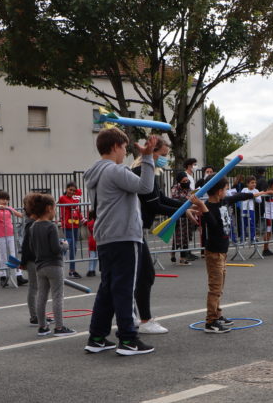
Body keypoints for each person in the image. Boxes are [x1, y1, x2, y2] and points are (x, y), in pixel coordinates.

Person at [83, 128, 157, 356]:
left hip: (105, 236)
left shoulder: (93, 174)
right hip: (124, 235)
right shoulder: (114, 171)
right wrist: (147, 157)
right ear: (115, 146)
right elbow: (146, 187)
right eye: (124, 147)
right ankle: (128, 339)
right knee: (125, 288)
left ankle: (97, 337)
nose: (125, 152)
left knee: (108, 288)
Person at [187, 178, 255, 334]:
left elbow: (237, 196)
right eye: (226, 189)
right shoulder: (208, 207)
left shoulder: (224, 202)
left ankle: (217, 314)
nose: (227, 191)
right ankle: (210, 322)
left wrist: (255, 194)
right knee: (215, 288)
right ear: (219, 191)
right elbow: (214, 226)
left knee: (220, 286)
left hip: (222, 252)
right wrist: (202, 206)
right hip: (213, 253)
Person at [134, 136, 185, 335]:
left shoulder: (150, 174)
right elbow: (154, 205)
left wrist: (186, 205)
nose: (165, 159)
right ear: (151, 152)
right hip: (133, 231)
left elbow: (161, 198)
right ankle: (144, 320)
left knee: (138, 276)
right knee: (145, 275)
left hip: (136, 230)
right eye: (162, 155)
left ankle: (136, 316)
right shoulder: (140, 172)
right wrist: (183, 210)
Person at [28, 193, 75, 337]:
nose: (55, 212)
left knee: (41, 295)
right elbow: (56, 249)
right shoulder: (51, 226)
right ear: (49, 209)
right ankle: (59, 327)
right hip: (54, 265)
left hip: (40, 266)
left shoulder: (33, 226)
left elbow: (31, 247)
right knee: (57, 296)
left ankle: (42, 326)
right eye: (55, 209)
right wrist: (65, 246)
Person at [0, 191, 27, 288]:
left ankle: (19, 276)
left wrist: (28, 209)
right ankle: (3, 276)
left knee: (14, 254)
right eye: (2, 199)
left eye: (6, 199)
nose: (5, 201)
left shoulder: (9, 208)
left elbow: (20, 215)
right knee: (3, 255)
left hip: (11, 234)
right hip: (1, 235)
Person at [19, 193, 40, 326]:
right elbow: (26, 245)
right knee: (34, 287)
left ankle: (39, 314)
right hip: (32, 260)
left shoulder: (34, 222)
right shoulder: (30, 224)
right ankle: (34, 316)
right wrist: (23, 262)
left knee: (39, 288)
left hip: (37, 260)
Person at [58, 182, 84, 279]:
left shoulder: (74, 198)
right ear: (66, 189)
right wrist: (77, 195)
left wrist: (83, 220)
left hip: (75, 225)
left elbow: (77, 209)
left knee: (74, 248)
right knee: (71, 246)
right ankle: (64, 266)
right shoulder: (62, 198)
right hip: (67, 226)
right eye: (70, 189)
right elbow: (72, 205)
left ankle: (71, 270)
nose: (72, 192)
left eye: (74, 190)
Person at [170, 172, 196, 264]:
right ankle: (173, 253)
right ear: (179, 182)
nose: (186, 182)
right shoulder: (175, 188)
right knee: (178, 236)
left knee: (186, 236)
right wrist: (187, 200)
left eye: (187, 180)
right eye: (184, 181)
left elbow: (193, 198)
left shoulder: (190, 189)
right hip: (179, 215)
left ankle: (183, 258)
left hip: (188, 216)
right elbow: (175, 199)